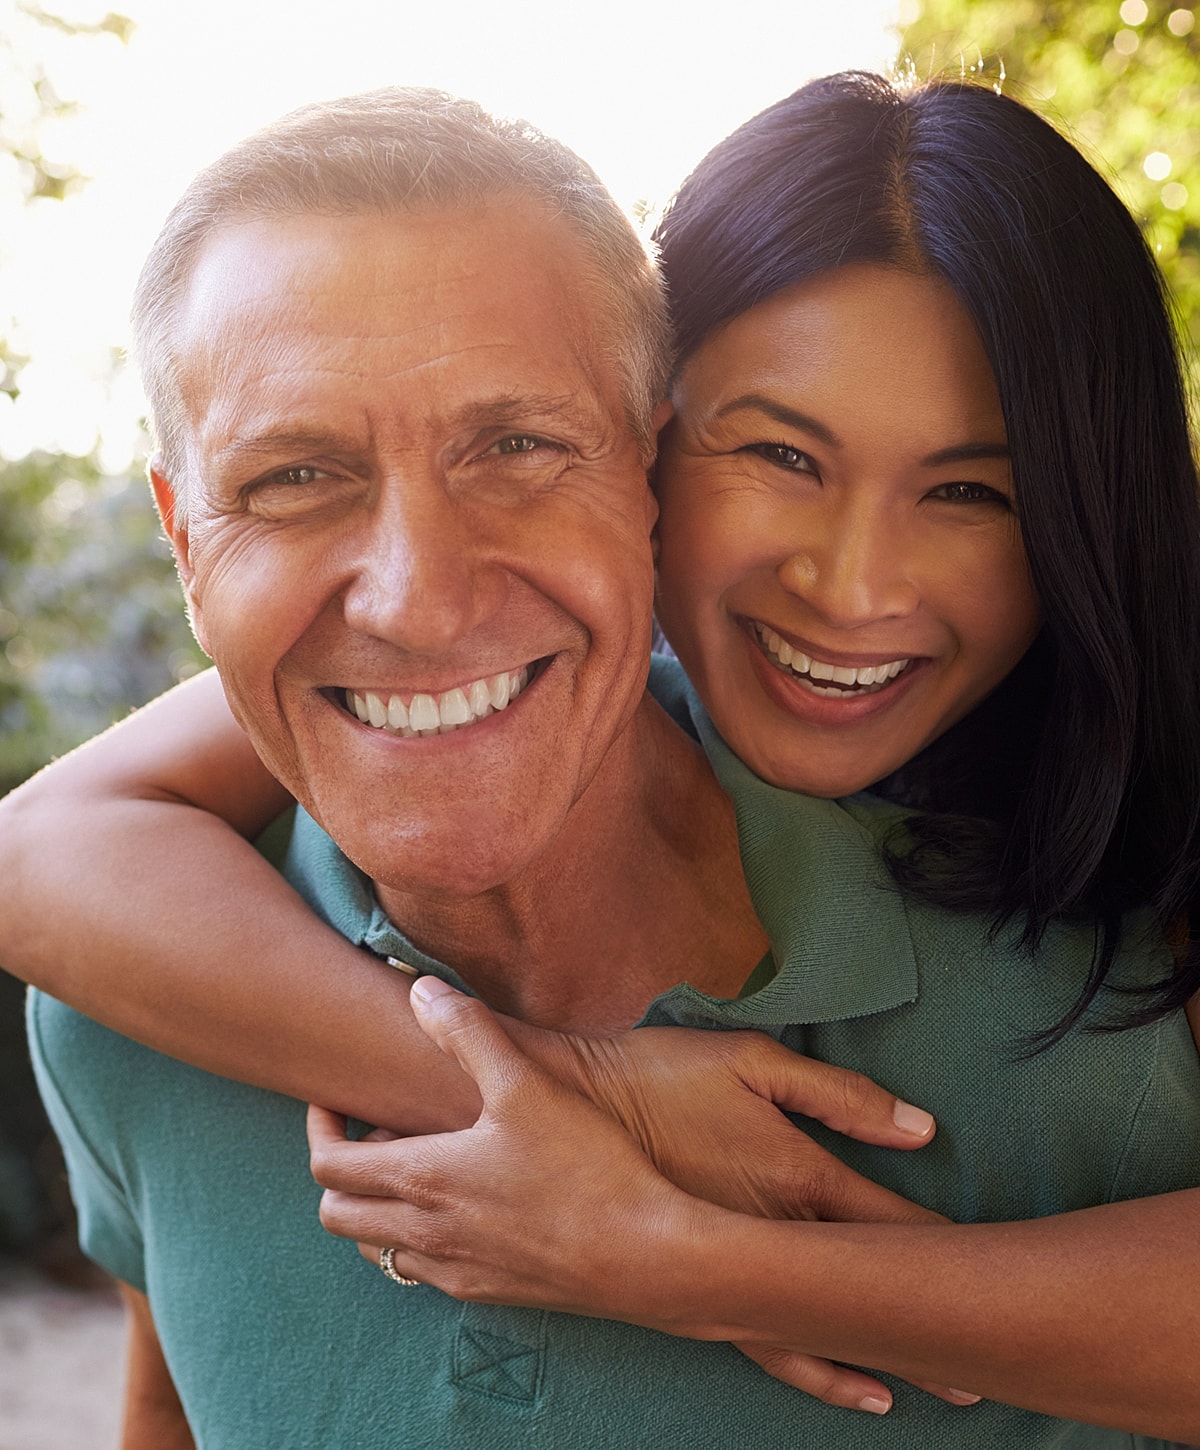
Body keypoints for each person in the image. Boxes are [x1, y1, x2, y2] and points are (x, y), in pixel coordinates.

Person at [6, 71, 1200, 1445]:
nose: (853, 586)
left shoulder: (1101, 1002)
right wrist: (579, 1086)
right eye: (292, 475)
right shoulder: (144, 1001)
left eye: (517, 443)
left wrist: (683, 1257)